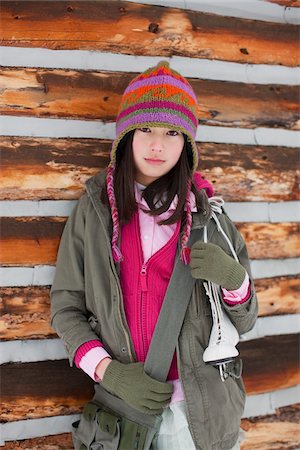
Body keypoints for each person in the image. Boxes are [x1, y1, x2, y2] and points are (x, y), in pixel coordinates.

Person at [50, 61, 258, 450]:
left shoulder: (209, 217)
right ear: (126, 135)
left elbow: (245, 319)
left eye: (172, 132)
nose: (157, 145)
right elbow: (66, 307)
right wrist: (108, 372)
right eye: (145, 129)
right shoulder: (93, 212)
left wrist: (234, 279)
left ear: (187, 144)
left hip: (200, 415)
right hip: (124, 414)